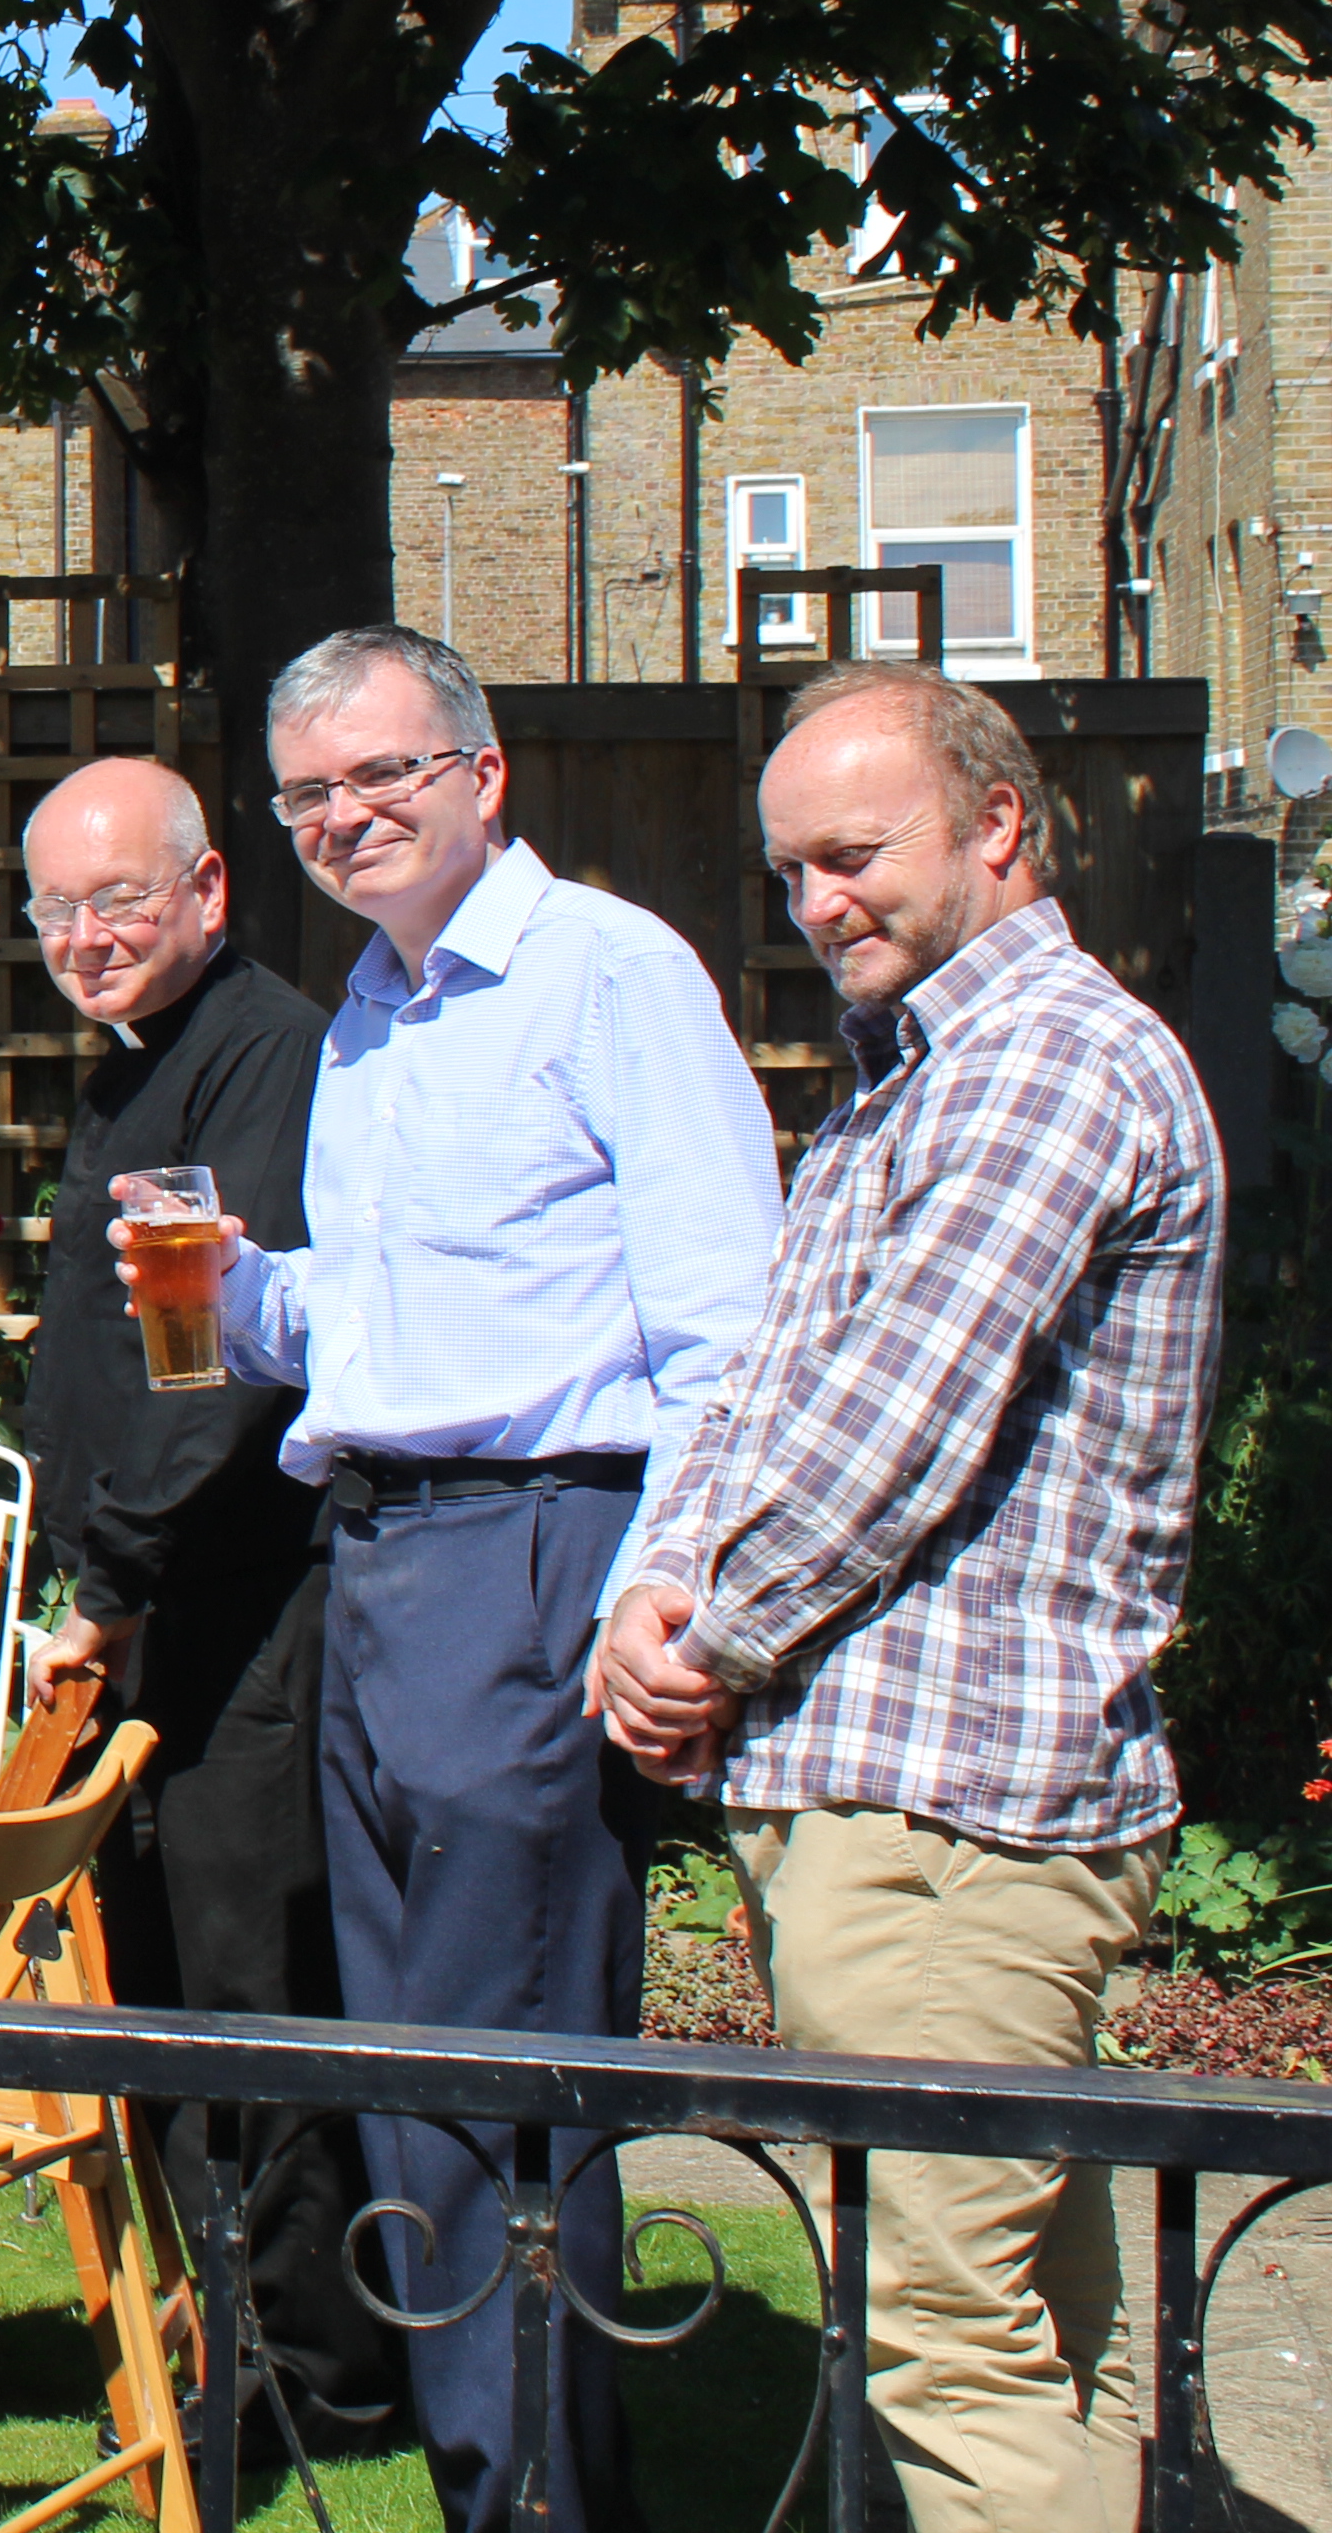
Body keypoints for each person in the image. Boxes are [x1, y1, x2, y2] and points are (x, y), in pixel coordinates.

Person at [592, 664, 1217, 2533]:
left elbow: (889, 1432)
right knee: (1031, 2335)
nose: (816, 902)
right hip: (897, 1812)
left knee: (949, 2354)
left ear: (996, 825)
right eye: (790, 871)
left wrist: (706, 1643)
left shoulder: (1050, 1065)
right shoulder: (909, 1083)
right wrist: (654, 1583)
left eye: (852, 856)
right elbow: (760, 1389)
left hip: (954, 1826)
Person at [214, 623, 780, 2533]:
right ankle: (498, 2482)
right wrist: (236, 1292)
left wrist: (656, 1585)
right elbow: (394, 1319)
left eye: (379, 773)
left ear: (479, 774)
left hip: (532, 1555)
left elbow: (723, 1324)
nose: (341, 816)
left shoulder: (605, 975)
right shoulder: (369, 1015)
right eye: (305, 792)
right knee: (412, 2083)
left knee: (497, 2090)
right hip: (376, 1557)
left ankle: (536, 2501)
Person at [11, 754, 394, 2445]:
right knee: (158, 1976)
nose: (84, 938)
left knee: (248, 1988)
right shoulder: (140, 1063)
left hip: (231, 1611)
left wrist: (106, 1582)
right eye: (54, 910)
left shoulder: (263, 1062)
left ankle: (312, 2375)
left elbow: (215, 1370)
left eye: (118, 899)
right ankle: (220, 2322)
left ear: (208, 891)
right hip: (147, 1602)